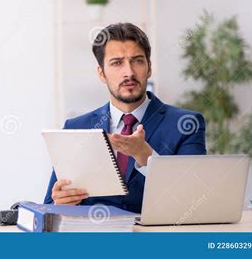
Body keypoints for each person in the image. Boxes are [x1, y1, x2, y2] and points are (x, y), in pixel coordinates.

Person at [43, 23, 206, 213]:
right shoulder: (76, 127)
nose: (129, 72)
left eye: (137, 61)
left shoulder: (186, 124)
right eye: (117, 63)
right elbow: (48, 207)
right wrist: (60, 203)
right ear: (101, 74)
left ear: (149, 67)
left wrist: (146, 156)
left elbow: (194, 201)